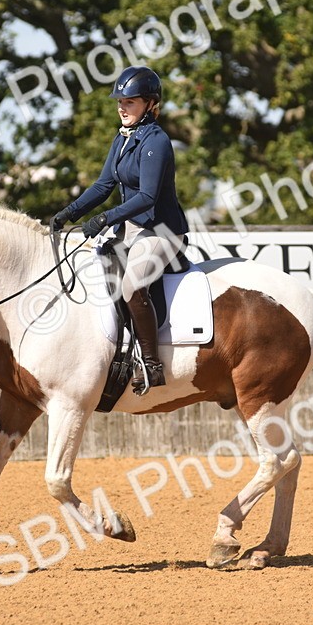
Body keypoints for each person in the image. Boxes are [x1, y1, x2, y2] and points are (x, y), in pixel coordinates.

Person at [51, 66, 188, 394]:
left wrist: (105, 218)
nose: (121, 107)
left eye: (129, 101)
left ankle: (152, 365)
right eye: (119, 101)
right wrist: (68, 214)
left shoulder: (157, 141)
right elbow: (103, 185)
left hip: (162, 231)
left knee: (130, 285)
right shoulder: (123, 137)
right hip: (132, 227)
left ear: (150, 104)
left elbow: (147, 197)